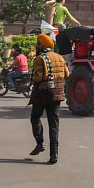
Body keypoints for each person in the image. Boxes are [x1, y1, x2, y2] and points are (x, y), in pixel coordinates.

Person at [29, 34, 70, 164]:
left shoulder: (40, 59)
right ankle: (54, 155)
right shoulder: (60, 58)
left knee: (35, 117)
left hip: (42, 93)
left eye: (38, 43)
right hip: (57, 93)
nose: (37, 46)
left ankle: (40, 143)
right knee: (54, 124)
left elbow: (37, 78)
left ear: (42, 45)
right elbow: (67, 74)